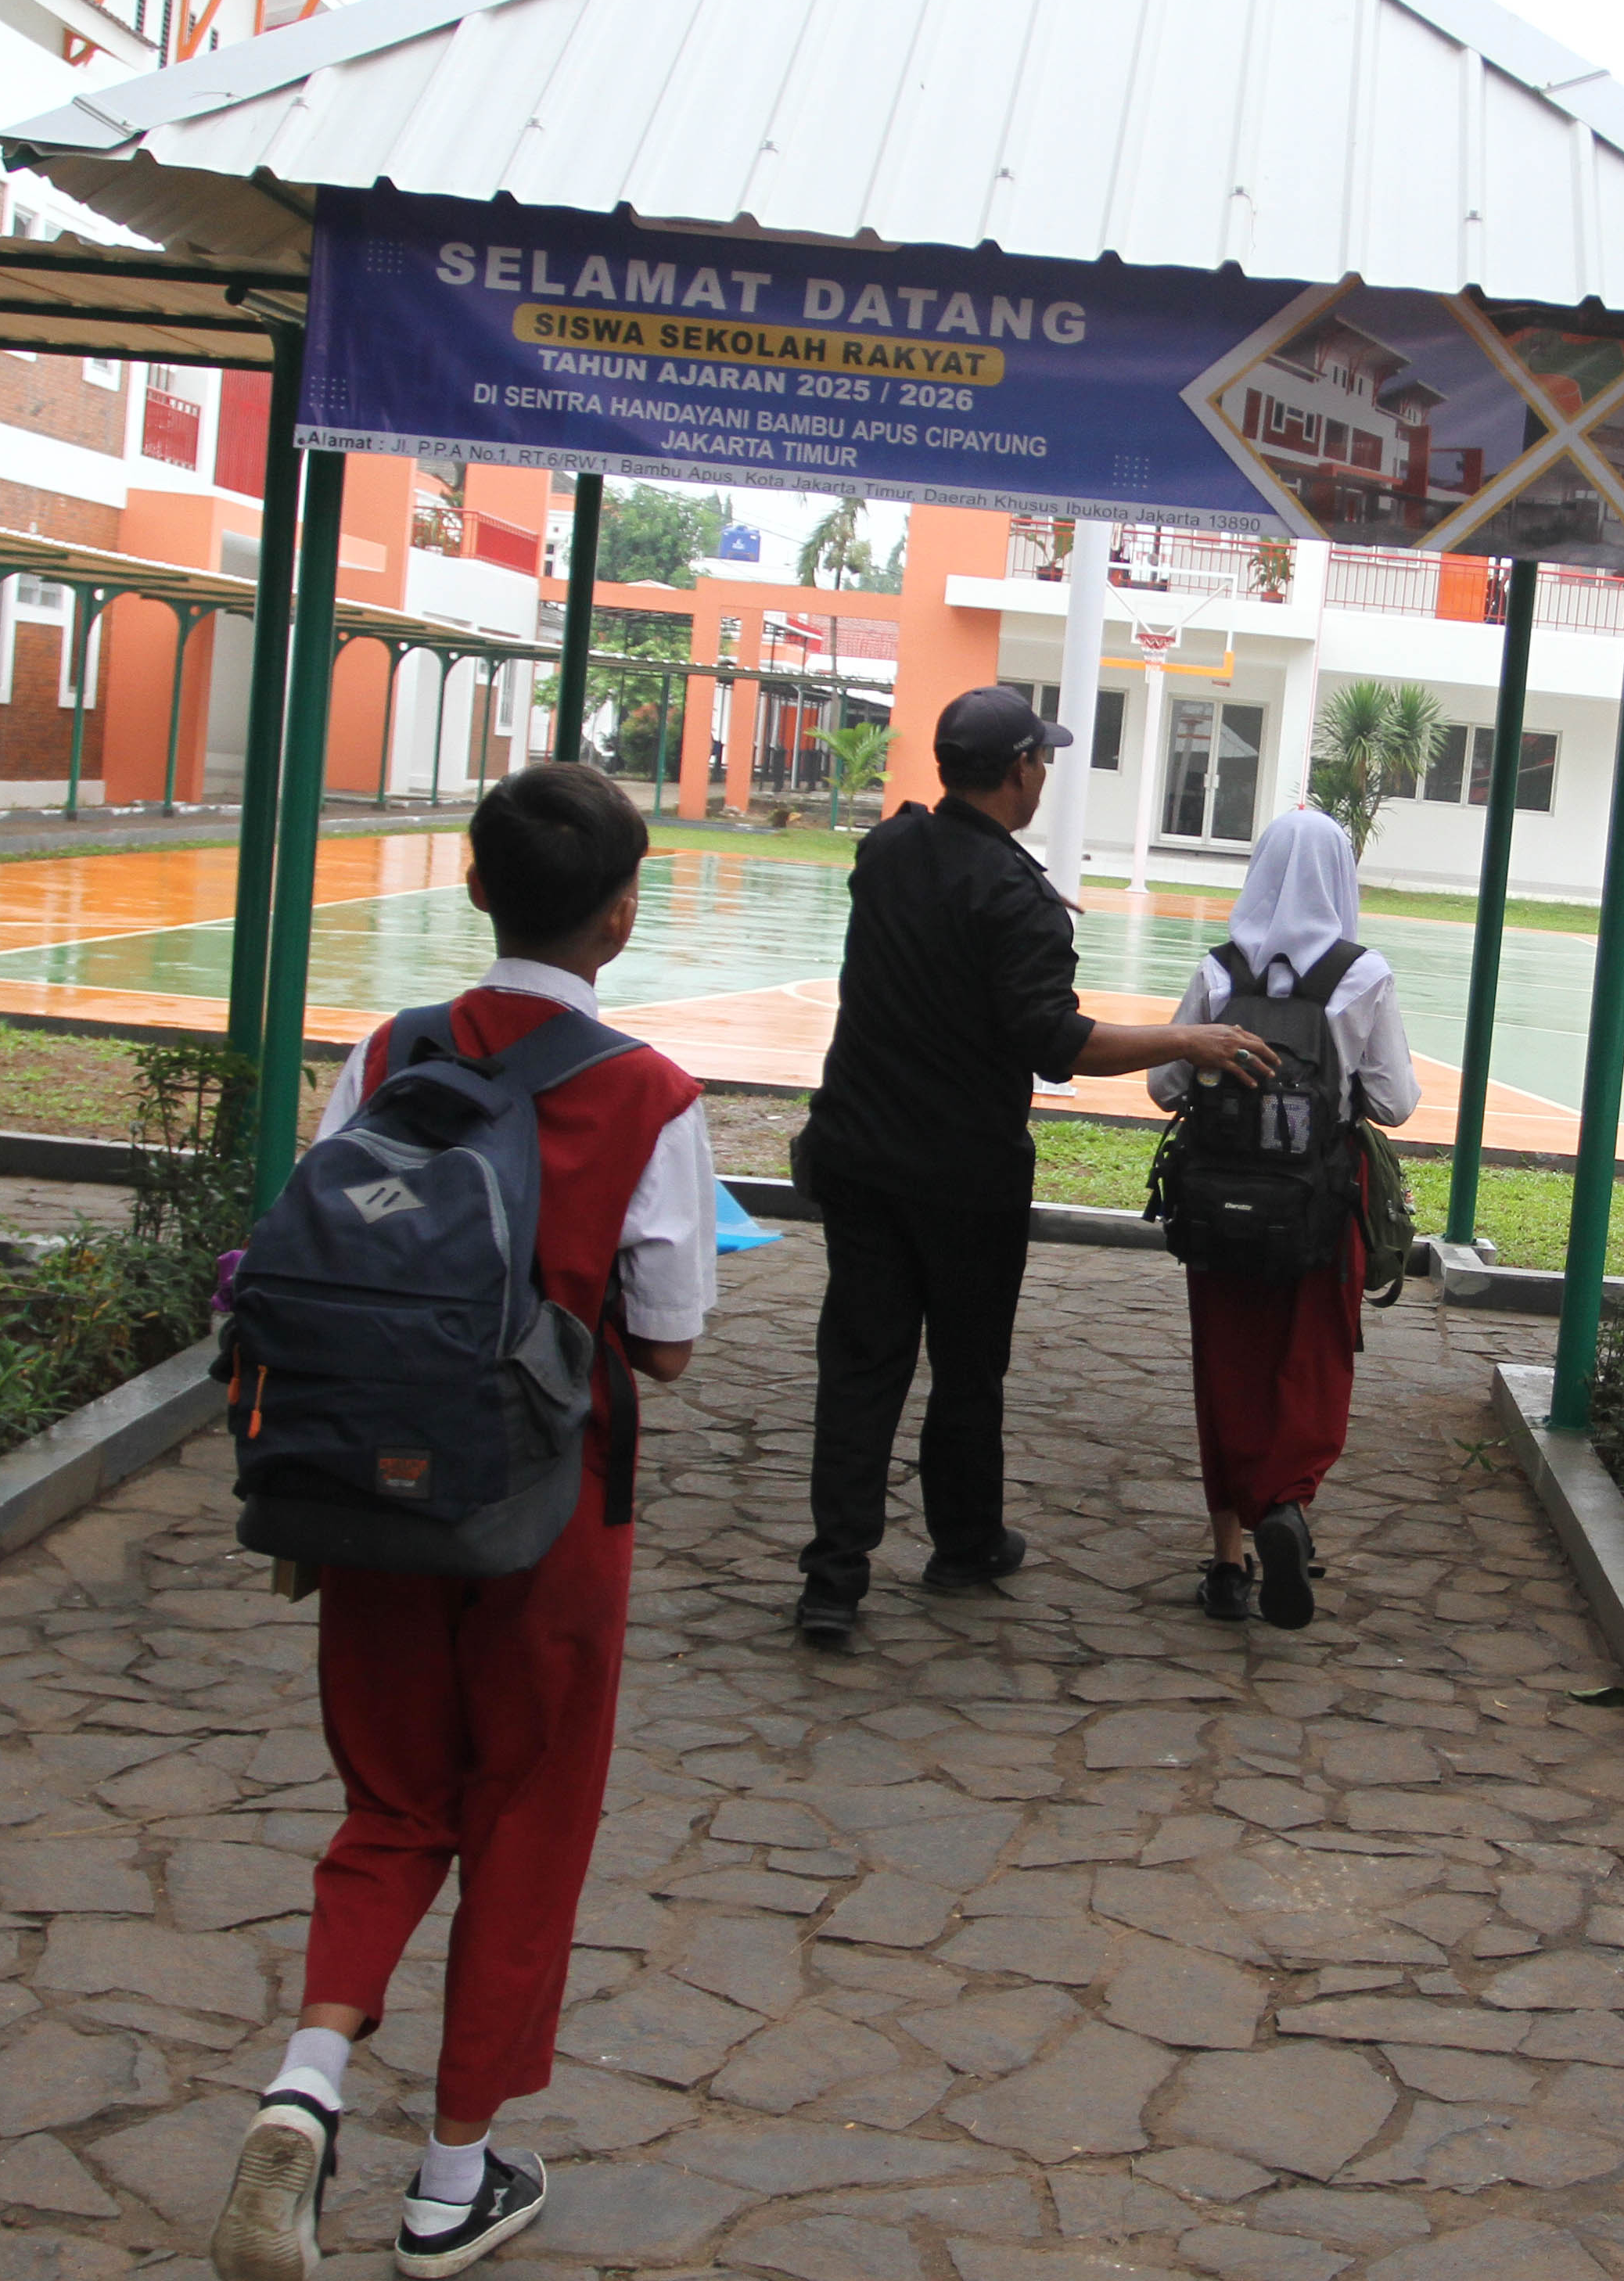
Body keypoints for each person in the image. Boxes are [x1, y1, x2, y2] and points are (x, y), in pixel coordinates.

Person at [214, 763, 717, 2281]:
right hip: (552, 1511)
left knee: (391, 1803)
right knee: (528, 1821)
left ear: (476, 885)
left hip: (371, 1491)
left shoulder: (385, 1052)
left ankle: (307, 2083)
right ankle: (450, 2184)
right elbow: (674, 1339)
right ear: (622, 915)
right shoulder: (649, 1095)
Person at [792, 687, 1272, 1653]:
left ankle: (833, 1582)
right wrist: (1191, 1039)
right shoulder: (1017, 898)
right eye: (1042, 760)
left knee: (859, 1365)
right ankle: (964, 1544)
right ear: (1020, 772)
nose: (1045, 773)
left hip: (858, 1154)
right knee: (967, 1366)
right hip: (962, 1175)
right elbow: (1056, 1044)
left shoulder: (886, 854)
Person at [1149, 810, 1419, 1629]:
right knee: (1308, 1365)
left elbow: (1165, 1086)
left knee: (1225, 1368)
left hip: (1219, 1209)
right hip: (1316, 1211)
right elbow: (1395, 1103)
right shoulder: (1360, 975)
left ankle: (1229, 1567)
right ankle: (1287, 1507)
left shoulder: (1219, 971)